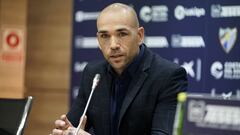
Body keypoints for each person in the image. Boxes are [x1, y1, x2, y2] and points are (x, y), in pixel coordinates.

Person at [51, 3, 188, 135]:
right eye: (105, 36)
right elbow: (73, 125)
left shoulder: (169, 76)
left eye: (122, 34)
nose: (113, 45)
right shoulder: (93, 73)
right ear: (98, 40)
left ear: (140, 36)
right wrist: (66, 131)